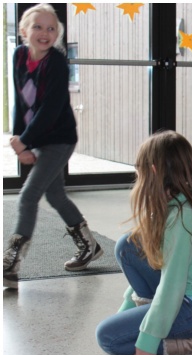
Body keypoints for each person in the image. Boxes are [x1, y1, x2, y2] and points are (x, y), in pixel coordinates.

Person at [95, 131, 192, 355]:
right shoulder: (189, 195)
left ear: (154, 171)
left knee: (108, 338)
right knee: (128, 246)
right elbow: (163, 268)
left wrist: (147, 341)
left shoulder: (182, 217)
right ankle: (154, 321)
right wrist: (125, 312)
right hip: (188, 292)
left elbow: (172, 285)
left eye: (140, 171)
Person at [4, 4, 103, 289]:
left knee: (28, 196)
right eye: (37, 27)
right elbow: (21, 100)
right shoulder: (19, 55)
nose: (45, 33)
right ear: (24, 31)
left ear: (57, 34)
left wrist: (25, 141)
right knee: (56, 195)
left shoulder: (57, 62)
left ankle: (12, 263)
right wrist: (19, 140)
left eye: (51, 28)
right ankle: (90, 246)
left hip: (59, 139)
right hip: (37, 138)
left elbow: (50, 108)